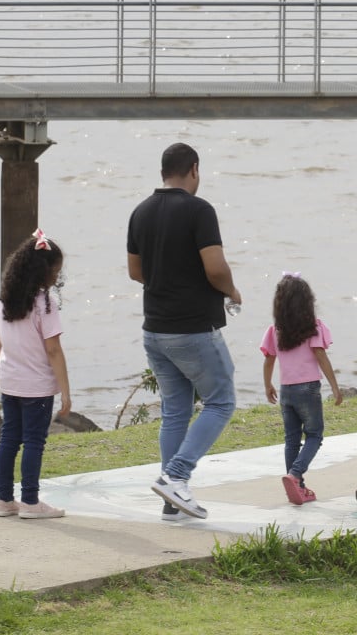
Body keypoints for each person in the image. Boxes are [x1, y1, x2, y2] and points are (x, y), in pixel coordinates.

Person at [127, 142, 241, 521]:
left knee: (175, 410)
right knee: (221, 400)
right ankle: (176, 476)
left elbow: (135, 272)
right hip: (192, 328)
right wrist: (231, 290)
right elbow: (216, 267)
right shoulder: (199, 210)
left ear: (163, 171)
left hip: (154, 329)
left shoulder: (140, 212)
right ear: (193, 169)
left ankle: (170, 498)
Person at [0, 228, 72, 520]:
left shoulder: (4, 302)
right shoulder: (44, 305)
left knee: (9, 439)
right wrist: (65, 390)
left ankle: (3, 500)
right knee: (34, 441)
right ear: (45, 271)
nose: (57, 277)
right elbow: (53, 350)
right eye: (56, 271)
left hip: (9, 382)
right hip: (36, 386)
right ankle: (30, 502)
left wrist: (7, 368)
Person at [260, 272, 343, 505]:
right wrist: (335, 388)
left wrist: (268, 385)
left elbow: (268, 360)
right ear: (308, 302)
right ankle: (295, 475)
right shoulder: (313, 328)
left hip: (286, 391)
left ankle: (297, 487)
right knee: (315, 435)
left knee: (292, 440)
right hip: (307, 389)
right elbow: (321, 357)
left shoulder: (275, 330)